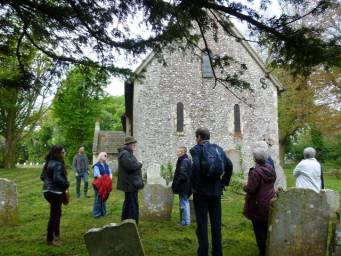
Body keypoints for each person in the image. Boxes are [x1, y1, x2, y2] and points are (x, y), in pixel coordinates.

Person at [190, 127, 233, 256]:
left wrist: (194, 186)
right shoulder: (218, 149)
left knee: (202, 224)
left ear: (199, 137)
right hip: (216, 191)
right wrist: (224, 182)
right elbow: (229, 165)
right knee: (216, 224)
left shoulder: (196, 149)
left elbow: (196, 167)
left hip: (201, 192)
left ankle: (203, 252)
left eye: (196, 137)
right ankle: (217, 252)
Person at [243, 147, 276, 256]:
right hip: (270, 201)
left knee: (259, 230)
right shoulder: (271, 169)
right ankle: (270, 249)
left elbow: (251, 189)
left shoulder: (255, 172)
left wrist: (245, 187)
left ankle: (263, 252)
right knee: (267, 228)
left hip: (257, 204)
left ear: (255, 159)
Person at [40, 145, 69, 246]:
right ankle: (51, 239)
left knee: (57, 213)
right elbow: (58, 179)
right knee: (55, 215)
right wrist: (66, 184)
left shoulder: (48, 163)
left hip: (47, 191)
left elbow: (42, 177)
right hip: (55, 192)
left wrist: (49, 183)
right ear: (59, 153)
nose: (64, 154)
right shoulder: (58, 164)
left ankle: (56, 235)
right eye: (63, 152)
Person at [117, 136, 143, 225]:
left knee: (130, 203)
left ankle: (127, 222)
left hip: (131, 184)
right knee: (131, 204)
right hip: (130, 184)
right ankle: (131, 222)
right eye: (133, 144)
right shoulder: (125, 154)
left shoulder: (128, 153)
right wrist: (139, 164)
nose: (134, 145)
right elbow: (131, 166)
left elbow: (131, 165)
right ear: (128, 145)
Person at [171, 146, 192, 226]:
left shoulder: (184, 161)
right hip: (184, 185)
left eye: (178, 151)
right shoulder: (184, 160)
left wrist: (176, 183)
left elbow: (183, 175)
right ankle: (184, 220)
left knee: (184, 202)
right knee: (183, 202)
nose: (177, 153)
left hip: (184, 185)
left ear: (183, 152)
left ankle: (186, 222)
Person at [92, 152, 113, 218]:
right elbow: (98, 175)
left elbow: (110, 173)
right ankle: (96, 214)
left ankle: (104, 212)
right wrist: (106, 179)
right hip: (98, 184)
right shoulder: (96, 166)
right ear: (100, 157)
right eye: (105, 156)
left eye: (106, 156)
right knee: (98, 198)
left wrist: (109, 179)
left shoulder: (106, 165)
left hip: (105, 184)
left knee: (104, 198)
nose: (106, 157)